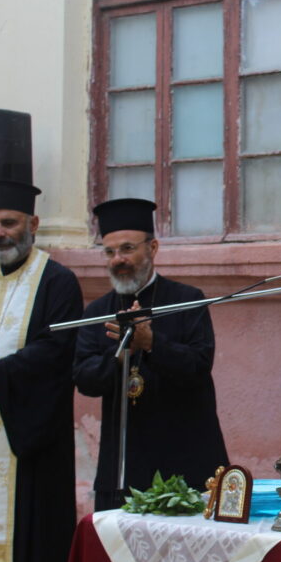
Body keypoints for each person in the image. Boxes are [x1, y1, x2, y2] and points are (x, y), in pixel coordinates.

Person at [0, 108, 83, 562]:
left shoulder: (58, 281)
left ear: (33, 223)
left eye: (8, 222)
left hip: (29, 450)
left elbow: (56, 355)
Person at [74, 198, 228, 511]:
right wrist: (121, 353)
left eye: (127, 249)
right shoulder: (98, 311)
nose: (118, 260)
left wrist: (151, 342)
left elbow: (198, 366)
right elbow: (85, 379)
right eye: (109, 252)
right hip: (123, 463)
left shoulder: (187, 300)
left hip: (185, 453)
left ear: (153, 248)